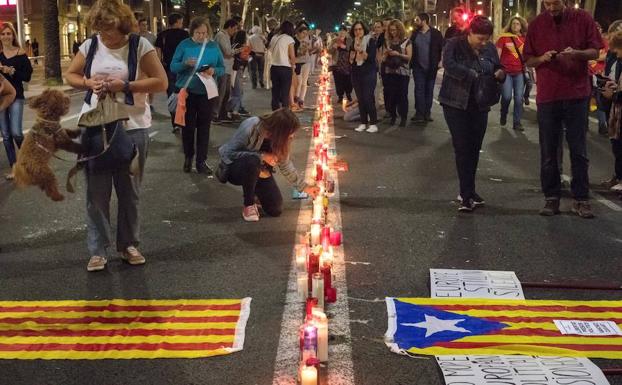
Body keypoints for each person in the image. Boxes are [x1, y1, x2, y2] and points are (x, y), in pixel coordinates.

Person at [65, 0, 168, 272]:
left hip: (132, 126)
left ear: (123, 26)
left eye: (110, 30)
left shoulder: (140, 46)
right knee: (96, 193)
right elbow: (71, 74)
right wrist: (88, 82)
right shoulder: (90, 45)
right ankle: (97, 250)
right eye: (100, 29)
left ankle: (129, 245)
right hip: (95, 127)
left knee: (129, 191)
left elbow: (161, 81)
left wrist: (127, 85)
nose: (105, 36)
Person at [524, 0, 603, 218]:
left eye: (555, 2)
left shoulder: (583, 19)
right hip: (548, 95)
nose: (551, 8)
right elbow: (528, 59)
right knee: (549, 149)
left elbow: (595, 51)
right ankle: (551, 197)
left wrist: (577, 53)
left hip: (576, 93)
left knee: (578, 149)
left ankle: (581, 198)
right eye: (547, 3)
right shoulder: (537, 24)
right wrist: (542, 58)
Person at [439, 16, 504, 212]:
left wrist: (501, 73)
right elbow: (448, 65)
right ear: (470, 33)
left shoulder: (490, 48)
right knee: (462, 147)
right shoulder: (453, 44)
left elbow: (498, 66)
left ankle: (470, 190)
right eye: (480, 38)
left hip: (480, 103)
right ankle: (465, 194)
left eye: (486, 39)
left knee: (474, 148)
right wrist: (472, 74)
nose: (483, 43)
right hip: (455, 103)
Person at [218, 108, 320, 222]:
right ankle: (249, 204)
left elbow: (285, 165)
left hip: (261, 172)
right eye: (290, 133)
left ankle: (256, 192)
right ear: (280, 130)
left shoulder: (283, 139)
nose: (292, 136)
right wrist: (261, 156)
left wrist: (305, 187)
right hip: (236, 168)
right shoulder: (252, 126)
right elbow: (227, 152)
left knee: (275, 209)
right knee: (253, 160)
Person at [171, 17, 225, 175]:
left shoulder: (213, 46)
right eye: (198, 33)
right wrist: (185, 64)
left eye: (204, 33)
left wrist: (213, 71)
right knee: (187, 127)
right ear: (191, 31)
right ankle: (188, 157)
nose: (202, 36)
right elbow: (173, 66)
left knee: (204, 128)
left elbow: (221, 67)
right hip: (188, 93)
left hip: (207, 93)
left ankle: (201, 161)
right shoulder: (184, 45)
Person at [0, 22, 33, 180]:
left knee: (16, 132)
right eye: (3, 34)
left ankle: (27, 159)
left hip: (17, 96)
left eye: (8, 33)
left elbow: (27, 76)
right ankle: (15, 167)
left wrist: (11, 71)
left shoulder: (20, 53)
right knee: (6, 135)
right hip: (1, 98)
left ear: (13, 35)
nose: (6, 36)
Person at [155, 13, 189, 132]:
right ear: (178, 22)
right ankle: (183, 120)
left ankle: (175, 122)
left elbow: (158, 52)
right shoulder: (185, 34)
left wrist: (160, 66)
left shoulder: (162, 35)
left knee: (171, 94)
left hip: (168, 68)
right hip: (183, 68)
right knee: (184, 94)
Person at [496, 16, 528, 131]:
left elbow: (527, 56)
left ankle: (517, 122)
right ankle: (503, 113)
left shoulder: (524, 39)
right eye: (513, 23)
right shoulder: (504, 38)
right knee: (507, 96)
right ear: (510, 25)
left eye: (518, 24)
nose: (515, 26)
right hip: (506, 73)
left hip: (519, 72)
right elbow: (497, 54)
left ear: (521, 26)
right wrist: (496, 68)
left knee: (519, 98)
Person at [410, 13, 444, 124]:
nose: (416, 22)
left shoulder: (435, 34)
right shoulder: (414, 34)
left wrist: (441, 61)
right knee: (419, 90)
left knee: (429, 91)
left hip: (432, 67)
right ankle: (419, 113)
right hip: (418, 67)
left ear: (424, 21)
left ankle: (427, 113)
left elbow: (442, 48)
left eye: (417, 20)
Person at [600, 27, 622, 193]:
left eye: (618, 49)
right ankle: (618, 176)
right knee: (616, 144)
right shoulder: (614, 57)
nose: (616, 53)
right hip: (616, 110)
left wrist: (614, 95)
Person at [350, 21, 378, 133]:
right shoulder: (353, 42)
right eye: (355, 30)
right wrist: (352, 55)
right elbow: (351, 59)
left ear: (364, 30)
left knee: (368, 97)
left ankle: (373, 123)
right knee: (360, 98)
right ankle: (363, 122)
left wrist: (360, 49)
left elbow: (371, 58)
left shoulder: (370, 41)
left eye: (360, 29)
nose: (358, 31)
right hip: (356, 72)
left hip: (368, 72)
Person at [382, 19, 411, 127]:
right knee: (391, 95)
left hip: (403, 73)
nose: (392, 32)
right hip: (390, 71)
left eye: (394, 30)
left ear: (399, 29)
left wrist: (397, 54)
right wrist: (386, 54)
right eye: (390, 30)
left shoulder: (406, 41)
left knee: (402, 95)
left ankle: (403, 117)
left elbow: (409, 57)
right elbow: (383, 59)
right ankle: (393, 116)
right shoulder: (388, 42)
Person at [214, 19, 239, 123]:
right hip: (222, 67)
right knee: (221, 92)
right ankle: (215, 114)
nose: (235, 31)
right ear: (229, 27)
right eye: (235, 28)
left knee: (226, 93)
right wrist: (237, 50)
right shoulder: (221, 35)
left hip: (227, 68)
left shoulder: (226, 36)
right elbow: (227, 52)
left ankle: (222, 114)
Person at [268, 21, 295, 111]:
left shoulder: (274, 37)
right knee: (285, 92)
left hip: (274, 67)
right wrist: (293, 66)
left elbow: (270, 50)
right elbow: (292, 56)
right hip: (285, 68)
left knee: (275, 92)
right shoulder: (289, 39)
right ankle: (284, 113)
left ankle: (275, 112)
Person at [328, 26, 353, 104]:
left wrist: (345, 47)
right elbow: (329, 51)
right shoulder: (334, 40)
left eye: (343, 31)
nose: (342, 32)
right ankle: (340, 96)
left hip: (348, 64)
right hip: (337, 64)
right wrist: (334, 48)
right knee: (338, 81)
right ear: (338, 32)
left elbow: (353, 49)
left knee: (349, 80)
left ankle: (348, 94)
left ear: (346, 32)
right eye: (340, 31)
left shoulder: (350, 40)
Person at [230, 29, 251, 119]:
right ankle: (234, 111)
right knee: (238, 91)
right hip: (237, 69)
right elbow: (243, 57)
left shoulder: (234, 45)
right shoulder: (240, 47)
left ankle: (235, 109)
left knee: (236, 90)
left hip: (235, 69)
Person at [293, 25, 312, 111]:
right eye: (303, 33)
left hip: (306, 62)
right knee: (299, 82)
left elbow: (309, 51)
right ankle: (295, 100)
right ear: (299, 32)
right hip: (297, 63)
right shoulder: (294, 40)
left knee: (304, 82)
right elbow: (293, 53)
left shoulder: (307, 40)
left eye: (306, 33)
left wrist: (310, 49)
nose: (305, 35)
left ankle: (301, 100)